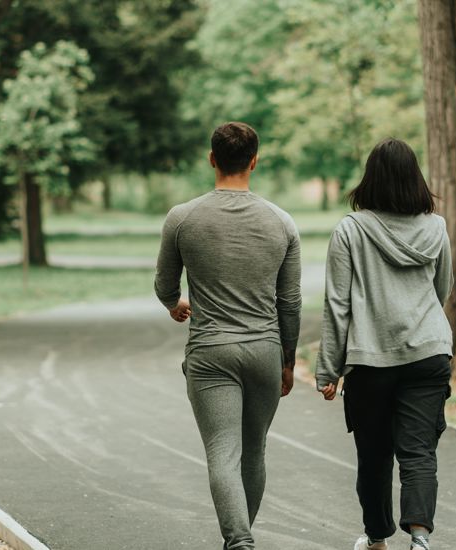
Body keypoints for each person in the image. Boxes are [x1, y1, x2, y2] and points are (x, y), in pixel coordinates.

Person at [154, 122, 302, 550]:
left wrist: (174, 303)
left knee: (223, 452)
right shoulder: (282, 222)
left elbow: (165, 284)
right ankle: (239, 540)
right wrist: (287, 362)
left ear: (212, 159)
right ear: (254, 161)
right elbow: (289, 302)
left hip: (211, 352)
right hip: (264, 351)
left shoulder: (182, 218)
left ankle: (239, 542)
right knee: (253, 452)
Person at [316, 138, 454, 550]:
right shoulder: (437, 228)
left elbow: (337, 304)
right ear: (415, 178)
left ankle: (377, 537)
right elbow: (441, 289)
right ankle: (420, 538)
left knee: (374, 456)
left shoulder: (350, 230)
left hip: (371, 361)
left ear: (370, 179)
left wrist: (328, 369)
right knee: (418, 451)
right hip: (428, 352)